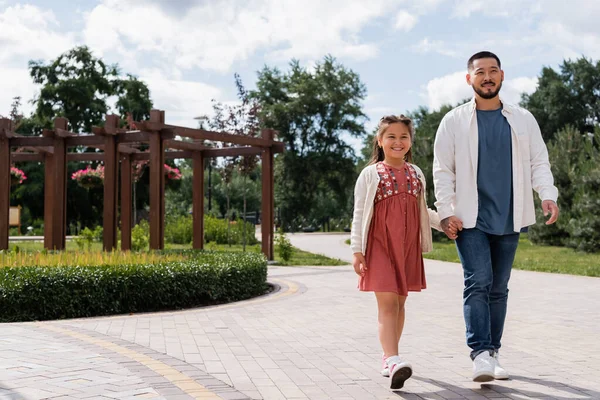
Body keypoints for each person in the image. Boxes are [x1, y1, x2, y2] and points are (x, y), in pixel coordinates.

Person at [433, 51, 559, 382]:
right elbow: (443, 171)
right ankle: (480, 354)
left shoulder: (523, 119)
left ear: (502, 76)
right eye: (480, 72)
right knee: (478, 282)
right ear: (469, 79)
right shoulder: (454, 121)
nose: (486, 77)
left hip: (508, 216)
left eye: (492, 71)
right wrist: (445, 212)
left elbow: (538, 162)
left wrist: (547, 194)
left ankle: (494, 352)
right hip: (468, 219)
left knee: (499, 287)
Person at [350, 115, 452, 390]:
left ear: (410, 142)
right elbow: (359, 214)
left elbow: (422, 211)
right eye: (391, 137)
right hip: (379, 247)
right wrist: (357, 250)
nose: (397, 142)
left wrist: (444, 222)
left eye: (403, 137)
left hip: (406, 248)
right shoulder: (370, 174)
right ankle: (394, 359)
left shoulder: (416, 173)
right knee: (387, 304)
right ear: (380, 141)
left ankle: (388, 357)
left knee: (400, 304)